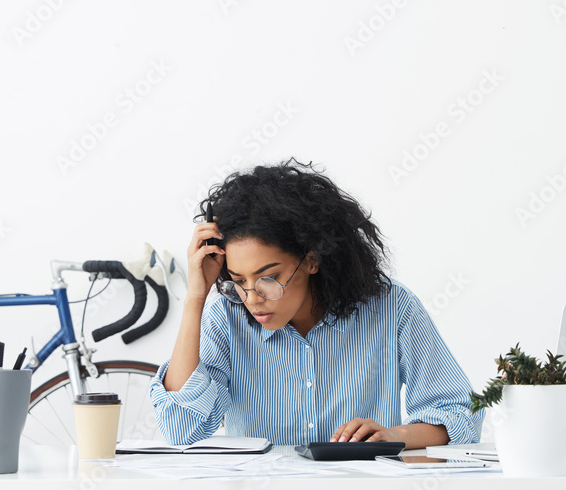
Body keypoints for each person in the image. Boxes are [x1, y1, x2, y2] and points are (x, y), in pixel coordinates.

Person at [150, 158, 483, 448]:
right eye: (239, 281)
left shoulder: (393, 307)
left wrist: (395, 435)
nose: (253, 298)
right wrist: (196, 297)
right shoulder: (225, 316)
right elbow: (182, 429)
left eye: (269, 277)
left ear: (311, 259)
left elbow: (459, 413)